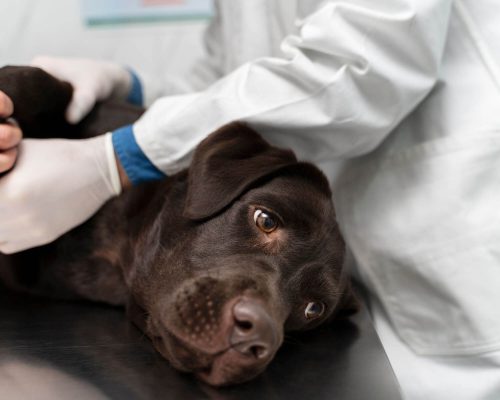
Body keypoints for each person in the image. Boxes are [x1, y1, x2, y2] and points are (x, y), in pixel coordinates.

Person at [1, 0, 499, 398]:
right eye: (263, 224)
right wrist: (129, 84)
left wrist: (118, 158)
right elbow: (236, 85)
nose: (260, 328)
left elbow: (365, 60)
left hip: (458, 279)